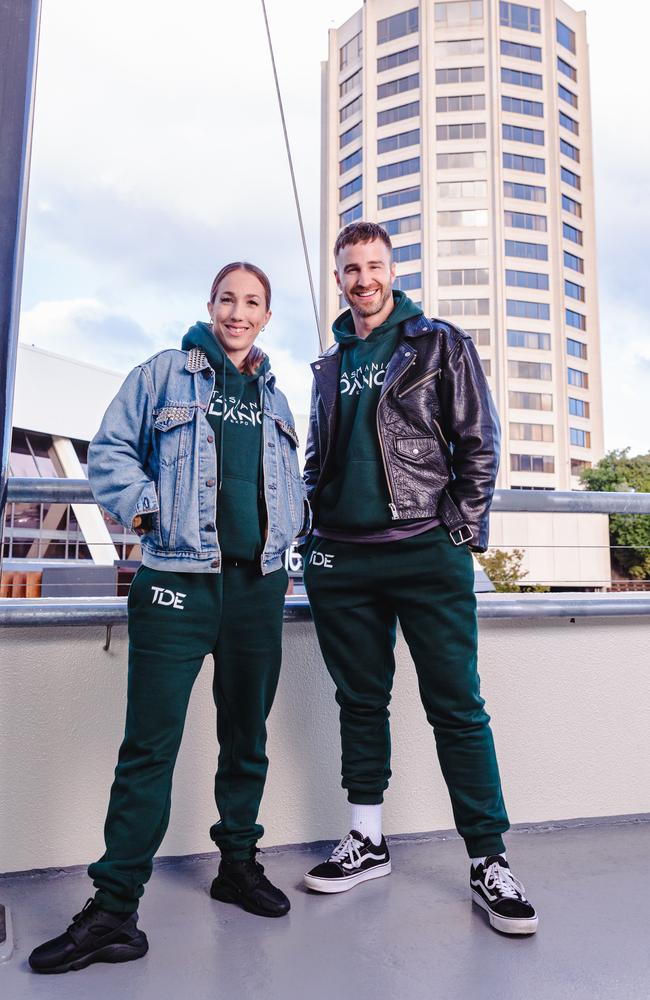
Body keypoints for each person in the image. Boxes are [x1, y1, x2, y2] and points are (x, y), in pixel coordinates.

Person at [29, 262, 308, 974]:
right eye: (227, 299)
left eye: (252, 303)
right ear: (209, 305)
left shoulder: (277, 399)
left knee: (247, 739)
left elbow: (291, 487)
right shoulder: (162, 375)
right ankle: (115, 910)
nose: (237, 313)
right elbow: (114, 450)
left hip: (258, 592)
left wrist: (290, 540)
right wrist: (150, 509)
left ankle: (237, 866)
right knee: (148, 749)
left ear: (266, 317)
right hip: (177, 587)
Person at [301, 222, 538, 936]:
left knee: (457, 707)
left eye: (373, 266)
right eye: (350, 268)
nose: (362, 279)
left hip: (423, 550)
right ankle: (367, 840)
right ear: (338, 278)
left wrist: (458, 534)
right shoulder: (329, 364)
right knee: (360, 700)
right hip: (342, 559)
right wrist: (312, 536)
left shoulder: (439, 344)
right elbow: (318, 460)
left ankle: (488, 860)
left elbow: (479, 442)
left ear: (392, 272)